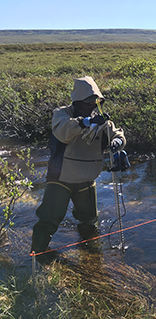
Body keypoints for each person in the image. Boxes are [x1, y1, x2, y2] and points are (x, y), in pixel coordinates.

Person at [31, 76, 126, 262]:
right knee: (48, 221)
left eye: (96, 102)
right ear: (78, 102)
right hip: (61, 178)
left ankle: (91, 257)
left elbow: (117, 133)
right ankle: (36, 259)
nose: (93, 105)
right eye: (89, 102)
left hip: (86, 179)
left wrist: (118, 142)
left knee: (89, 220)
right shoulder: (62, 114)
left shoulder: (101, 120)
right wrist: (85, 122)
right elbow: (62, 131)